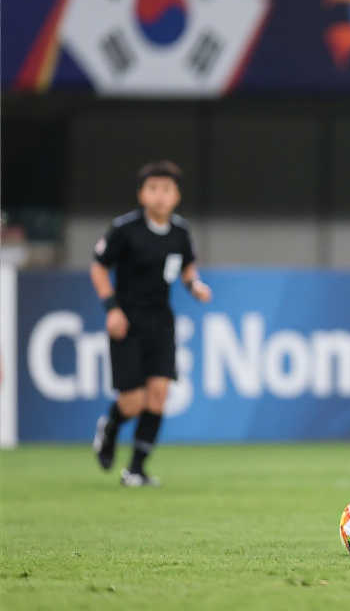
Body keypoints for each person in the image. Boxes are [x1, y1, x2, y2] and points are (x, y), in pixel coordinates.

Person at [90, 161, 212, 486]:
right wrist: (111, 309)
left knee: (158, 394)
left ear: (177, 195)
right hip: (127, 321)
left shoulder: (180, 232)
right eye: (153, 188)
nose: (160, 195)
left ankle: (136, 470)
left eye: (167, 189)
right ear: (142, 194)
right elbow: (99, 267)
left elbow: (187, 267)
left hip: (161, 322)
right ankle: (110, 427)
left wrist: (195, 285)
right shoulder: (125, 229)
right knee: (133, 402)